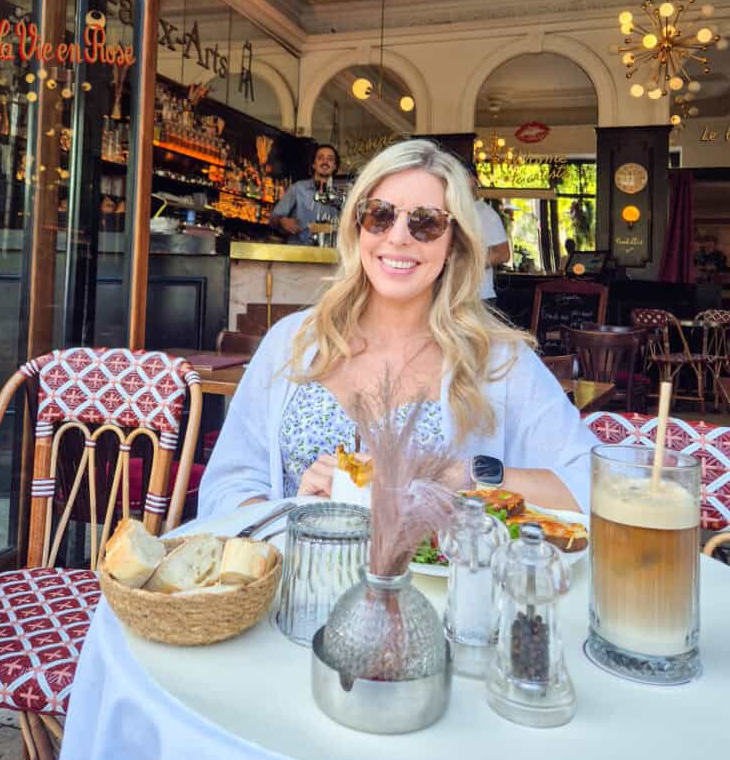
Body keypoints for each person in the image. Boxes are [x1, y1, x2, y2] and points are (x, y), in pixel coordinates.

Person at [198, 139, 596, 522]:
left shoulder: (498, 360)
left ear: (454, 243)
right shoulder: (292, 341)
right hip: (296, 585)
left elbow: (592, 486)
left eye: (426, 223)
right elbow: (227, 485)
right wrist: (292, 515)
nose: (398, 237)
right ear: (357, 227)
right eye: (380, 215)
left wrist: (462, 477)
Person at [269, 143, 341, 245]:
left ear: (335, 166)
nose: (325, 162)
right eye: (320, 158)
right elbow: (273, 218)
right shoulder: (298, 189)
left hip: (328, 255)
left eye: (330, 159)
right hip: (299, 253)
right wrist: (282, 221)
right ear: (314, 164)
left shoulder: (339, 196)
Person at [468, 168, 510, 305]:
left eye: (460, 176)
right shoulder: (450, 209)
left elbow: (503, 254)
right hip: (450, 296)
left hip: (479, 297)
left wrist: (465, 264)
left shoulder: (486, 214)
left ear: (473, 180)